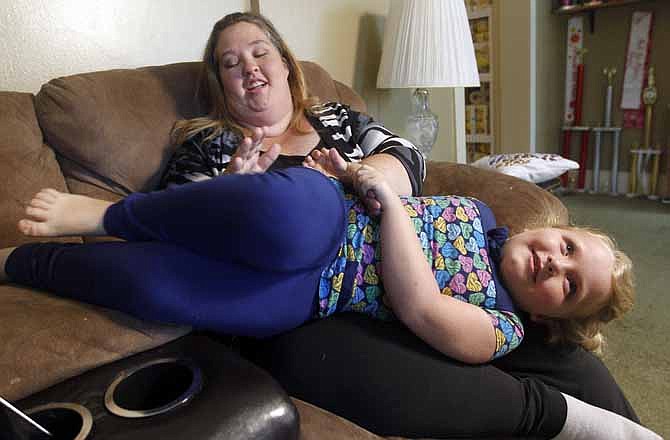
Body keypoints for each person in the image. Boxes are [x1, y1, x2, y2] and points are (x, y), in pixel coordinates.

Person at [0, 11, 659, 440]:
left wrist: (364, 171)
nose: (250, 69)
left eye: (261, 52)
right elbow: (193, 217)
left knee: (160, 289)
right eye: (232, 63)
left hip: (316, 285)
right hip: (305, 233)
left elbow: (406, 159)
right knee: (283, 217)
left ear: (287, 63)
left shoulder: (340, 121)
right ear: (220, 84)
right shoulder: (204, 140)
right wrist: (240, 184)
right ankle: (87, 226)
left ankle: (630, 432)